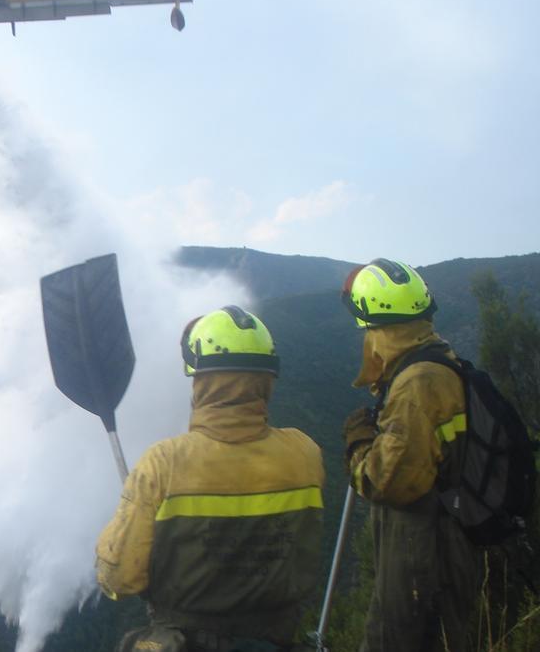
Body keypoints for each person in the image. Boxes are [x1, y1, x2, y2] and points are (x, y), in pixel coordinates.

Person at [96, 305, 325, 652]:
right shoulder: (305, 454)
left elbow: (121, 576)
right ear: (267, 379)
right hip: (277, 639)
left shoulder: (164, 463)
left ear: (200, 380)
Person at [340, 258, 479, 652]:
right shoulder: (439, 360)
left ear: (377, 328)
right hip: (444, 540)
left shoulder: (417, 383)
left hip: (422, 550)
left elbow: (387, 482)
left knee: (394, 639)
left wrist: (358, 445)